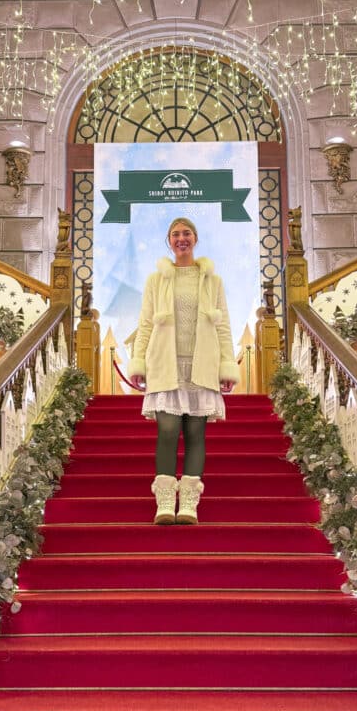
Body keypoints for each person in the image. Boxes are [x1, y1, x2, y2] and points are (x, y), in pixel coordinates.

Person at [129, 216, 240, 525]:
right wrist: (138, 363)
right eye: (175, 234)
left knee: (195, 433)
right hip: (165, 364)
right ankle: (165, 501)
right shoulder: (156, 280)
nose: (181, 238)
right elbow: (146, 323)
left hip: (202, 364)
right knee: (167, 431)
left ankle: (189, 503)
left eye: (186, 233)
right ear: (169, 241)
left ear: (195, 238)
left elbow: (224, 327)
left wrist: (226, 368)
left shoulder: (212, 281)